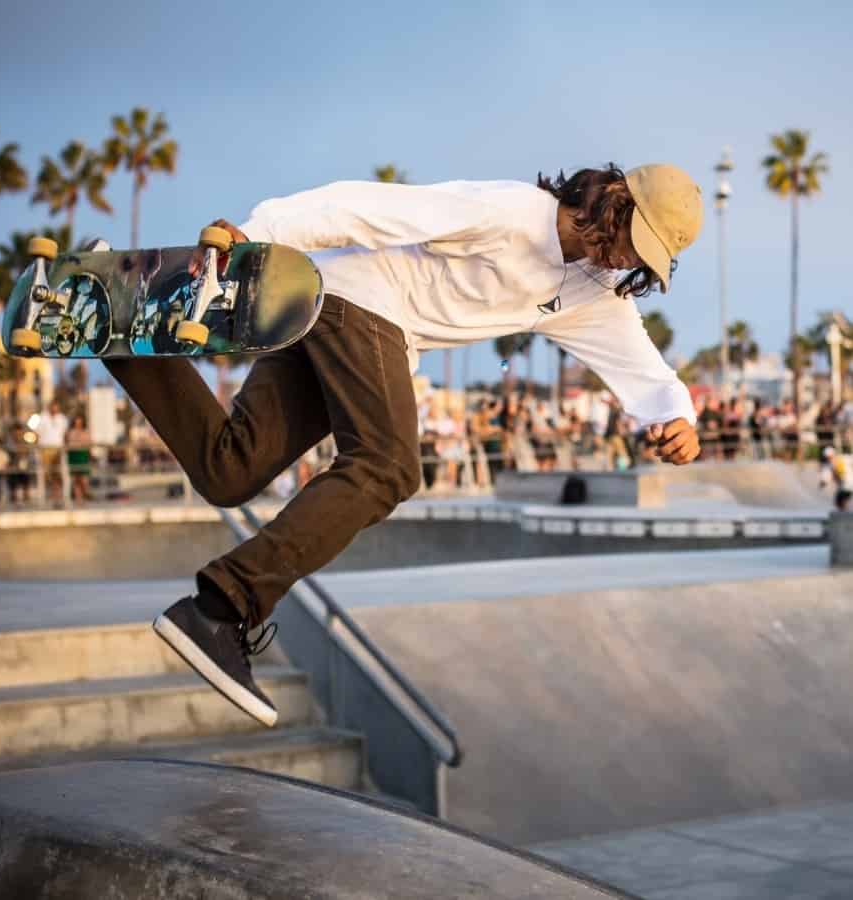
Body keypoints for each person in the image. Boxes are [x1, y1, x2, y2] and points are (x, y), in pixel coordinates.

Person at [104, 162, 703, 727]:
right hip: (355, 303)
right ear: (615, 202)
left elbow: (637, 358)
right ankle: (219, 611)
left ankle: (116, 326)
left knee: (229, 470)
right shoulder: (515, 213)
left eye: (642, 258)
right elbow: (374, 207)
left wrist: (677, 415)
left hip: (331, 324)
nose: (626, 260)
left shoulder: (593, 291)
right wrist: (262, 235)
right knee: (388, 467)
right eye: (632, 240)